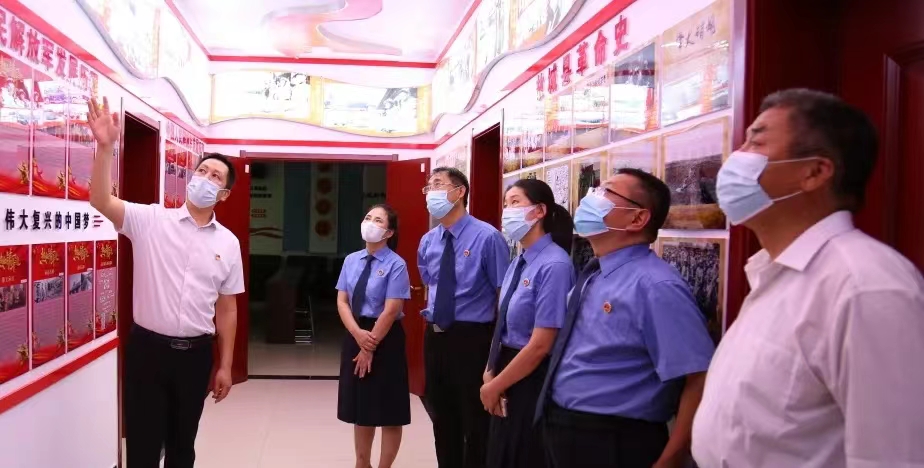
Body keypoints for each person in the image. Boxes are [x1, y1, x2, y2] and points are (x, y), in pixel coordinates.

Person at [692, 89, 924, 467]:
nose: (737, 156)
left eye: (757, 142)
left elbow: (891, 456)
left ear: (814, 172)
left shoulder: (865, 286)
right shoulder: (771, 271)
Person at [87, 97, 244, 468]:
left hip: (195, 355)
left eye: (215, 177)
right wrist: (105, 149)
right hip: (148, 351)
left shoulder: (228, 243)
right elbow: (101, 201)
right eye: (202, 171)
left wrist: (225, 365)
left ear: (223, 194)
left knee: (181, 446)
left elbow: (227, 308)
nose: (205, 178)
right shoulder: (150, 221)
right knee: (142, 447)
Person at [535, 168, 715, 468]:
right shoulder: (596, 273)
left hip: (614, 439)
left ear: (637, 219)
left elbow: (698, 377)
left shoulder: (656, 286)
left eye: (606, 192)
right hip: (564, 427)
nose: (591, 198)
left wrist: (672, 458)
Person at [418, 167, 510, 468]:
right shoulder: (428, 241)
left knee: (475, 421)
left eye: (438, 185)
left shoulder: (488, 237)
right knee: (441, 418)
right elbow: (430, 284)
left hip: (472, 338)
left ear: (460, 192)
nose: (431, 192)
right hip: (436, 337)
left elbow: (503, 295)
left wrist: (496, 352)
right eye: (428, 187)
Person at [481, 179, 575, 468]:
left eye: (515, 202)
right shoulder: (518, 261)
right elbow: (503, 322)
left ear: (540, 211)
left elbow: (541, 345)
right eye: (505, 204)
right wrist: (490, 372)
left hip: (531, 376)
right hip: (506, 368)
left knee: (523, 455)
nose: (507, 211)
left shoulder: (555, 265)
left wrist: (496, 384)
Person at [336, 204, 412, 468]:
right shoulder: (351, 260)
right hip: (355, 332)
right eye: (368, 217)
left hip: (385, 338)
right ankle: (362, 463)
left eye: (378, 220)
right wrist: (357, 334)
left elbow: (391, 310)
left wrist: (369, 347)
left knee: (390, 409)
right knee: (362, 407)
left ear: (389, 232)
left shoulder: (396, 264)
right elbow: (342, 301)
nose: (370, 223)